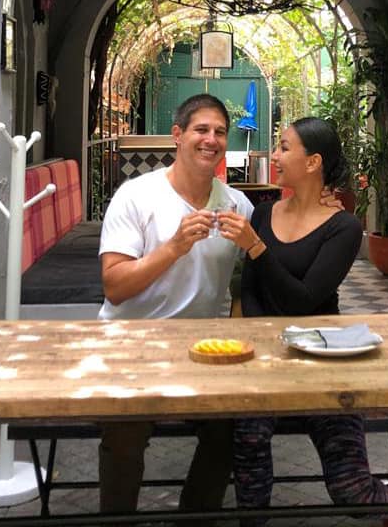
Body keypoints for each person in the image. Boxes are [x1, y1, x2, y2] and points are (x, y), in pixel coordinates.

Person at [231, 117, 388, 527]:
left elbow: (306, 299)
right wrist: (265, 349)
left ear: (312, 162)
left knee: (350, 490)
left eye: (283, 147)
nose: (274, 156)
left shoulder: (343, 228)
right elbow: (251, 291)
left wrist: (257, 248)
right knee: (249, 444)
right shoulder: (262, 214)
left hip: (324, 364)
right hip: (266, 368)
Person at [97, 93, 256, 523]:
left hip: (205, 351)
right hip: (131, 346)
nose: (211, 140)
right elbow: (114, 287)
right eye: (201, 130)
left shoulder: (237, 205)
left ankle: (195, 515)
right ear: (178, 136)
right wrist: (173, 248)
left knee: (232, 428)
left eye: (220, 132)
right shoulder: (136, 196)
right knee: (125, 437)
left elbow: (259, 274)